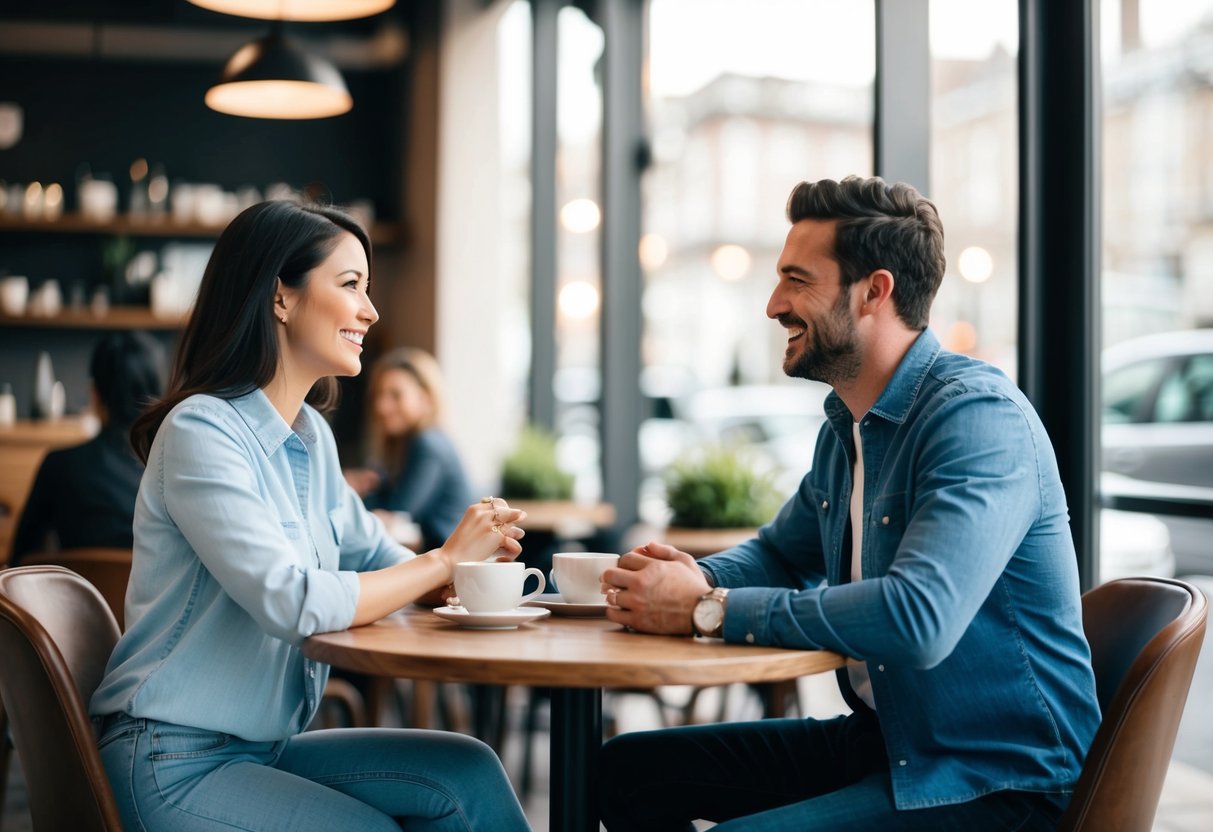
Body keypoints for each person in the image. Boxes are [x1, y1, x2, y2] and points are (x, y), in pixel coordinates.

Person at [597, 176, 1101, 831]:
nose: (773, 304)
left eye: (796, 280)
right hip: (888, 744)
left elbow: (918, 617)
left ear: (874, 291)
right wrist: (683, 582)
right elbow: (782, 552)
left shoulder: (977, 419)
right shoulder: (847, 425)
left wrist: (704, 608)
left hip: (1001, 781)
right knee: (625, 772)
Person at [89, 199, 532, 832]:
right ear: (281, 298)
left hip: (261, 748)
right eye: (350, 285)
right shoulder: (202, 431)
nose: (371, 311)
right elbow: (291, 602)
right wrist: (442, 560)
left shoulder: (312, 438)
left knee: (467, 772)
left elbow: (377, 559)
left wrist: (465, 575)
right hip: (171, 760)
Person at [10, 331, 163, 562]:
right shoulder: (169, 473)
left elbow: (20, 560)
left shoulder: (58, 466)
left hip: (76, 597)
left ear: (95, 395)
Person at [345, 347, 473, 552]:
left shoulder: (428, 444)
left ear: (426, 399)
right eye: (379, 395)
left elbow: (399, 514)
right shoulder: (412, 443)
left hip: (449, 570)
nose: (381, 406)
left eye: (396, 395)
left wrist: (359, 491)